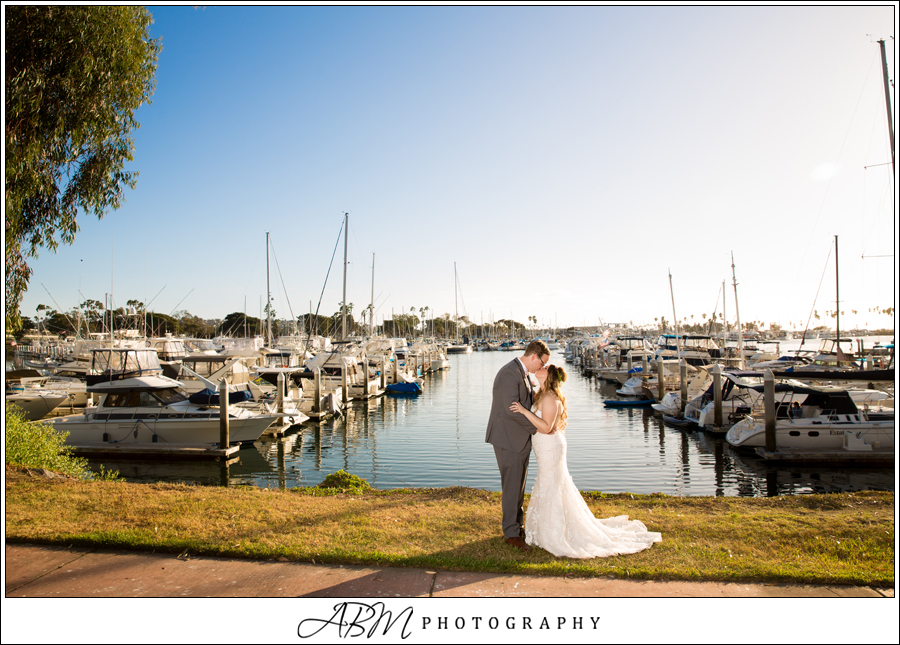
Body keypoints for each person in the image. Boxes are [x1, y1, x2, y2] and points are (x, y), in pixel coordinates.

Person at [510, 363, 662, 558]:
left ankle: (553, 533)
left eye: (544, 367)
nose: (541, 366)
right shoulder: (542, 393)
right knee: (549, 483)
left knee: (551, 484)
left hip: (549, 445)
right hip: (545, 446)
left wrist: (525, 412)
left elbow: (547, 427)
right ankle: (543, 528)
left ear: (548, 376)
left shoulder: (549, 398)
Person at [485, 339, 551, 552]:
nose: (541, 368)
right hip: (508, 438)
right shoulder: (509, 373)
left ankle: (517, 526)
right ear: (533, 356)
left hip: (519, 438)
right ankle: (511, 534)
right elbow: (512, 410)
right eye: (541, 363)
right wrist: (538, 428)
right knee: (512, 486)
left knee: (518, 485)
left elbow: (526, 404)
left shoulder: (523, 374)